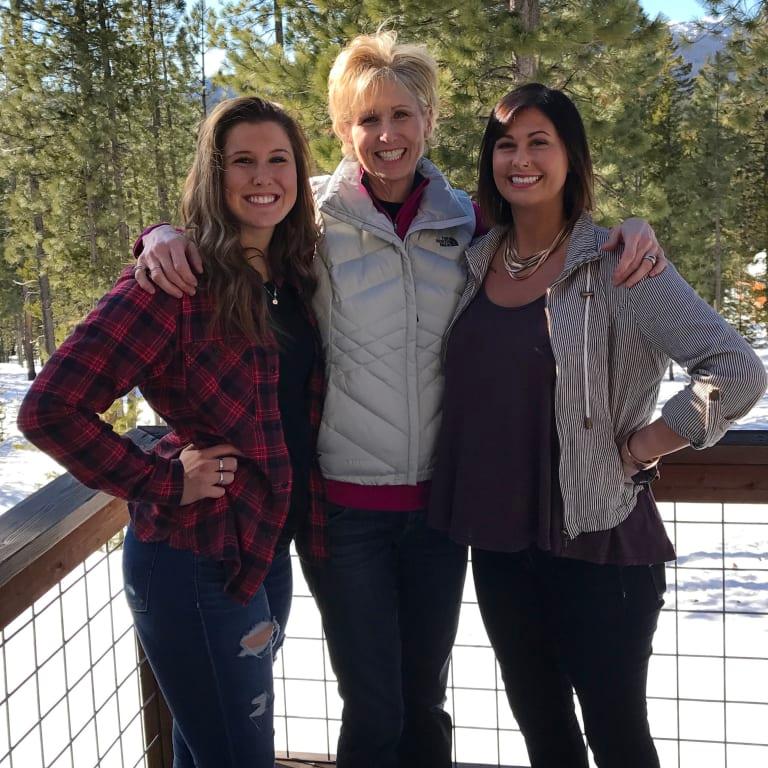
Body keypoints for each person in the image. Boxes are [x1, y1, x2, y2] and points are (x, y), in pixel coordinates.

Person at [132, 33, 667, 768]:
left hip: (441, 510)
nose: (386, 136)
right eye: (367, 119)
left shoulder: (471, 221)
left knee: (424, 700)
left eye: (402, 115)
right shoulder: (307, 220)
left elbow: (559, 235)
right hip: (343, 508)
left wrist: (632, 230)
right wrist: (157, 234)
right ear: (343, 130)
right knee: (374, 706)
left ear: (429, 119)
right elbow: (224, 232)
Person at [427, 83, 767, 768]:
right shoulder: (474, 260)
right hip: (500, 548)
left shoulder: (618, 263)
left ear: (572, 156)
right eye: (505, 144)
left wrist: (644, 443)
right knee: (545, 737)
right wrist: (163, 234)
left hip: (598, 541)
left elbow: (736, 370)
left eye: (538, 142)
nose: (519, 159)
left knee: (617, 740)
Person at [17, 96, 327, 768]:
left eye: (278, 160)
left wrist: (153, 228)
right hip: (193, 563)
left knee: (208, 743)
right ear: (213, 176)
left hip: (263, 552)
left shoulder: (289, 272)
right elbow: (48, 409)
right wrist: (160, 478)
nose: (262, 176)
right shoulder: (173, 285)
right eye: (241, 161)